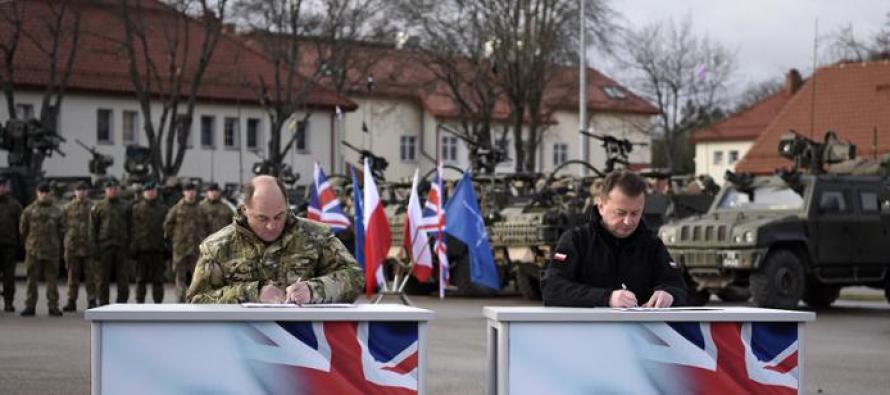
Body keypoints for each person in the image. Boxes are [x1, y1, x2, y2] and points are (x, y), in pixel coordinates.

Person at [187, 175, 363, 304]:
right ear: (245, 209)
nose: (272, 226)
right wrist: (251, 293)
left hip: (305, 344)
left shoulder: (315, 236)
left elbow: (354, 277)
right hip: (240, 346)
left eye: (279, 216)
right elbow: (197, 299)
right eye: (262, 218)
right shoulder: (218, 247)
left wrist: (314, 290)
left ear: (287, 206)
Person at [541, 170, 687, 308]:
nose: (628, 221)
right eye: (620, 213)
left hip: (639, 332)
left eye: (635, 213)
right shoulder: (577, 241)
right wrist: (606, 298)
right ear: (601, 207)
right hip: (587, 330)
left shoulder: (651, 244)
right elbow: (552, 288)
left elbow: (680, 286)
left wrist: (670, 294)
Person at [19, 182, 64, 316]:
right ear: (37, 193)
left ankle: (53, 306)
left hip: (51, 251)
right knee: (31, 280)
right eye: (41, 192)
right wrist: (30, 243)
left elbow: (62, 230)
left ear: (50, 193)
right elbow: (23, 230)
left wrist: (56, 244)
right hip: (34, 251)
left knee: (52, 281)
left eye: (46, 192)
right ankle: (30, 306)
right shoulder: (28, 210)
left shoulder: (57, 211)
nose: (44, 194)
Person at [164, 182, 209, 302]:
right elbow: (168, 225)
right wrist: (174, 239)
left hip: (196, 249)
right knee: (180, 278)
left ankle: (196, 302)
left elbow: (208, 227)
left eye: (193, 190)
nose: (191, 193)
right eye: (188, 190)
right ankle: (180, 302)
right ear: (184, 192)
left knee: (198, 278)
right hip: (181, 250)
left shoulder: (201, 209)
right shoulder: (177, 208)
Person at [91, 178, 131, 306]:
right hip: (104, 247)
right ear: (106, 190)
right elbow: (93, 229)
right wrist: (94, 248)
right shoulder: (99, 207)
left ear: (118, 190)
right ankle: (103, 303)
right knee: (103, 278)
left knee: (123, 278)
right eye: (110, 189)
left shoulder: (125, 206)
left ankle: (122, 303)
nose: (113, 191)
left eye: (115, 188)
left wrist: (130, 245)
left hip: (121, 247)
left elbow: (131, 227)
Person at [130, 182, 168, 303]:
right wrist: (133, 246)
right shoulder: (136, 208)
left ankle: (158, 304)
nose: (150, 193)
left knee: (158, 280)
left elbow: (168, 228)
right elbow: (131, 228)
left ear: (156, 192)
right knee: (140, 279)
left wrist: (167, 246)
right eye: (148, 191)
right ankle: (139, 303)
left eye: (153, 190)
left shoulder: (163, 209)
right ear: (144, 193)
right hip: (142, 249)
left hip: (158, 249)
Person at [62, 182, 96, 311]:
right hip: (73, 247)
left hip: (89, 247)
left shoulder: (93, 207)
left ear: (87, 192)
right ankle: (71, 300)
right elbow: (62, 226)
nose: (81, 192)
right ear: (75, 192)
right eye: (79, 190)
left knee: (91, 276)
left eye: (84, 189)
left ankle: (92, 300)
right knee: (72, 276)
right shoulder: (67, 208)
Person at [0, 175, 23, 312]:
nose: (1, 188)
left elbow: (21, 227)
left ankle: (9, 302)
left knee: (9, 277)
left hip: (9, 246)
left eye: (3, 186)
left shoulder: (14, 205)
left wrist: (20, 246)